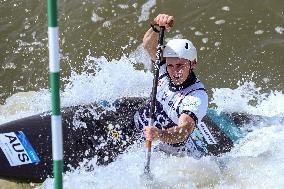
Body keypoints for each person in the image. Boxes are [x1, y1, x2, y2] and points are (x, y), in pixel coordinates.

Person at [134, 14, 209, 159]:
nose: (175, 72)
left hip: (163, 153)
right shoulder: (164, 67)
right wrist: (157, 27)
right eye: (171, 66)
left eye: (180, 65)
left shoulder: (196, 96)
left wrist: (158, 134)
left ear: (193, 63)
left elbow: (183, 132)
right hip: (137, 128)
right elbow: (148, 44)